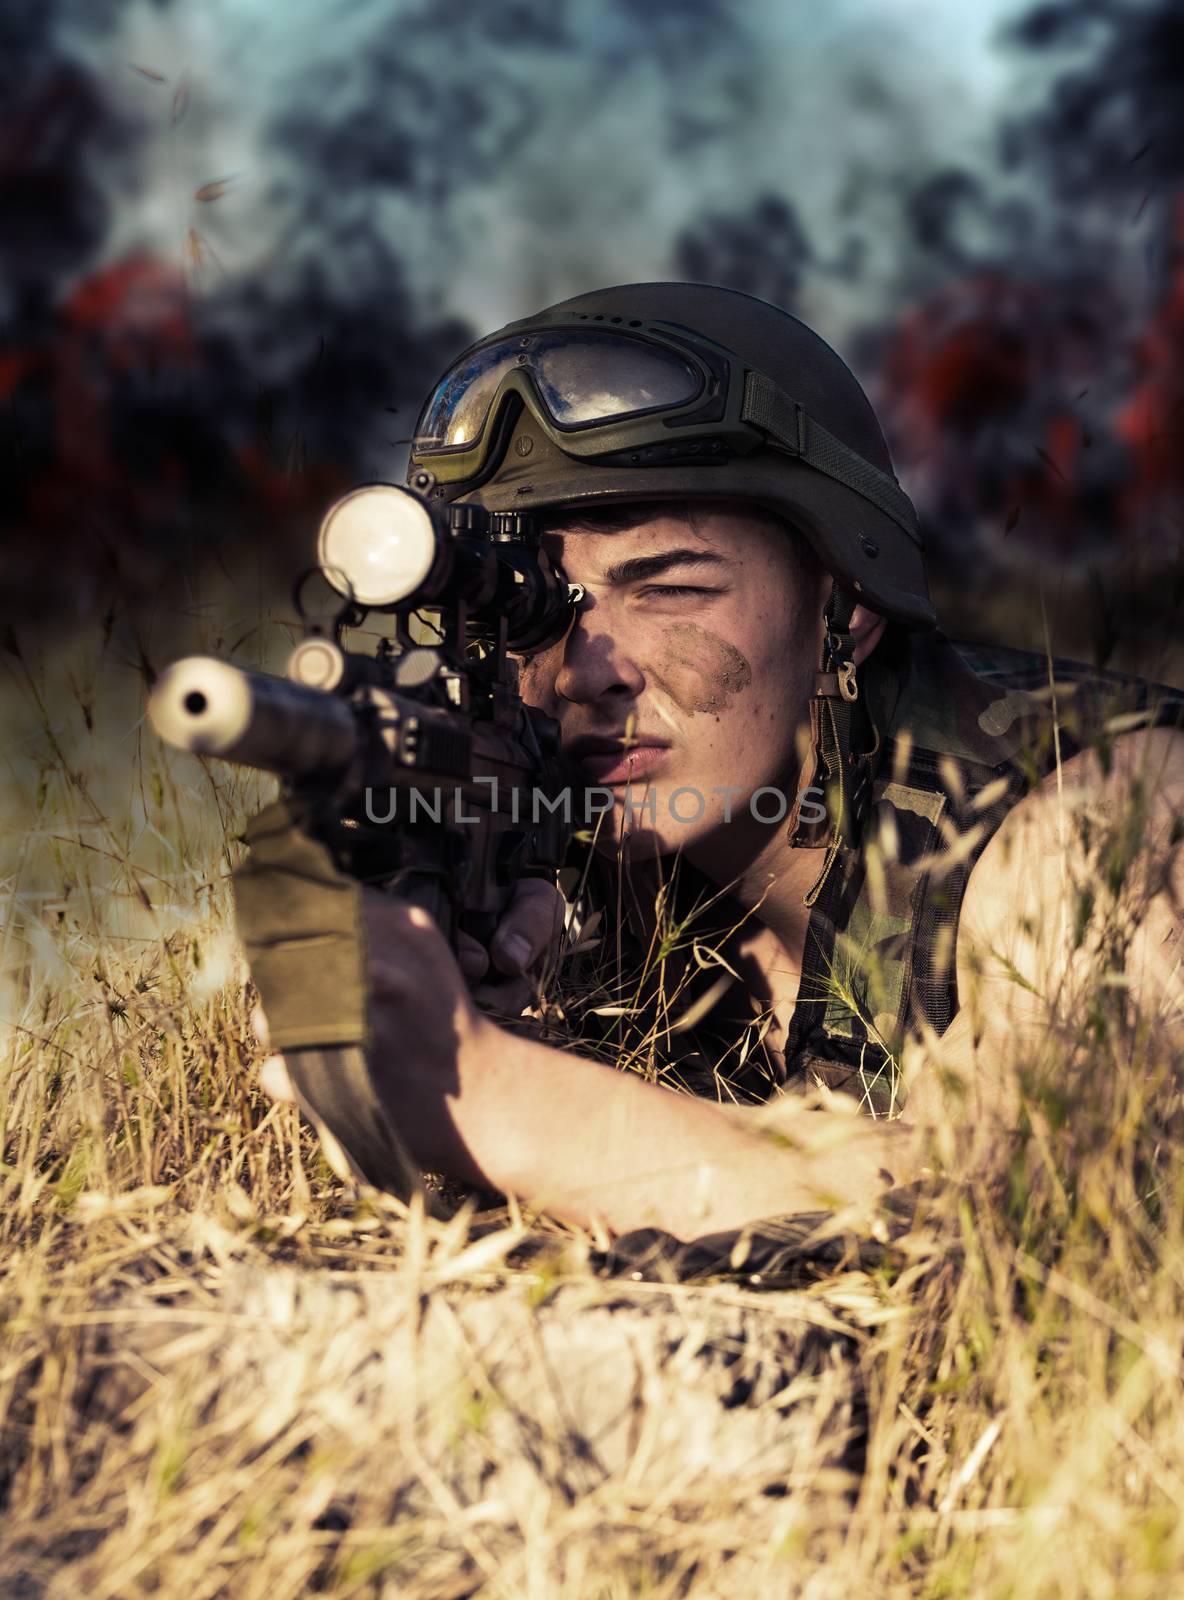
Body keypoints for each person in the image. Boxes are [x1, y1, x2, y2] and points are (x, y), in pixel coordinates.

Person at [249, 282, 1184, 1247]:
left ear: (846, 611)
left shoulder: (1104, 823)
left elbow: (1032, 1218)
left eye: (670, 590)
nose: (586, 671)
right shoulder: (563, 848)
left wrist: (488, 1090)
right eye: (535, 610)